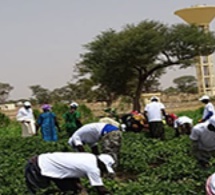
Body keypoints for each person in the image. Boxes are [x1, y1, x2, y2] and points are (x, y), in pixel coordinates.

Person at [25, 152, 115, 195]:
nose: (103, 171)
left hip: (45, 161)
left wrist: (80, 187)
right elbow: (101, 189)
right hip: (40, 166)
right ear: (101, 164)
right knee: (38, 189)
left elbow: (72, 169)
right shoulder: (92, 168)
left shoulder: (89, 157)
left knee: (72, 189)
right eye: (104, 169)